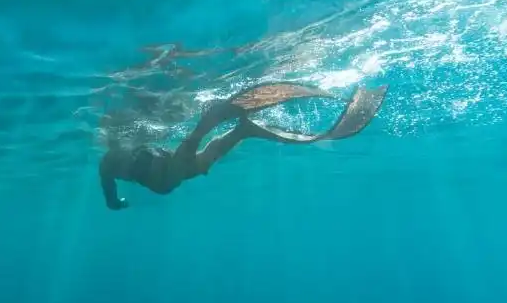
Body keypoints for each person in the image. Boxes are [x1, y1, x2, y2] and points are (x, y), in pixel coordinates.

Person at [99, 82, 388, 210]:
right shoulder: (112, 163)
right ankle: (241, 130)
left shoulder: (110, 164)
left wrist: (117, 203)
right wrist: (115, 202)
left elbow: (112, 195)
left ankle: (210, 126)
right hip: (157, 167)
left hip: (157, 171)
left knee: (184, 169)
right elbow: (111, 195)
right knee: (198, 164)